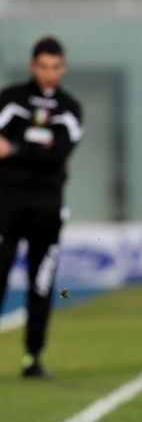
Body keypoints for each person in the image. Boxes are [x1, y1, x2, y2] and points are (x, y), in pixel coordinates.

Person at [0, 37, 83, 379]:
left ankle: (32, 358)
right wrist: (42, 149)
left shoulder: (69, 107)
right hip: (6, 204)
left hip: (47, 208)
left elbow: (59, 153)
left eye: (55, 67)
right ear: (33, 65)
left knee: (42, 283)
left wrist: (15, 148)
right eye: (43, 66)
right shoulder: (11, 99)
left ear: (62, 67)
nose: (49, 73)